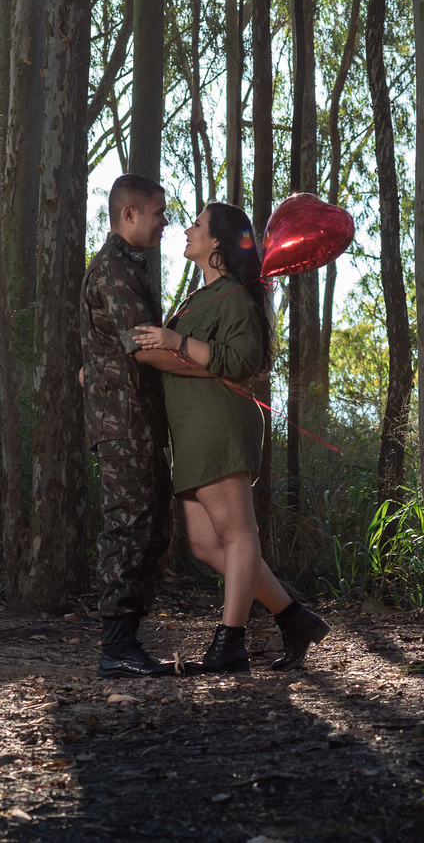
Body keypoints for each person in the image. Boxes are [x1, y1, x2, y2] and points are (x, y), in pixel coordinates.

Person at [132, 202, 329, 674]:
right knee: (205, 544)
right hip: (190, 430)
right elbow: (153, 353)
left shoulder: (237, 295)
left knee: (238, 534)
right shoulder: (195, 300)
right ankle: (294, 618)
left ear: (217, 240)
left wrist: (179, 344)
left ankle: (231, 642)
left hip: (219, 423)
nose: (187, 229)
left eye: (197, 224)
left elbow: (242, 362)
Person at [79, 173, 176, 677]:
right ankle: (116, 646)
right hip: (122, 423)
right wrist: (211, 365)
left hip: (140, 421)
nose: (165, 223)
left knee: (155, 526)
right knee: (128, 525)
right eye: (158, 213)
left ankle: (127, 640)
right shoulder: (113, 270)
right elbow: (144, 346)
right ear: (129, 213)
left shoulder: (129, 267)